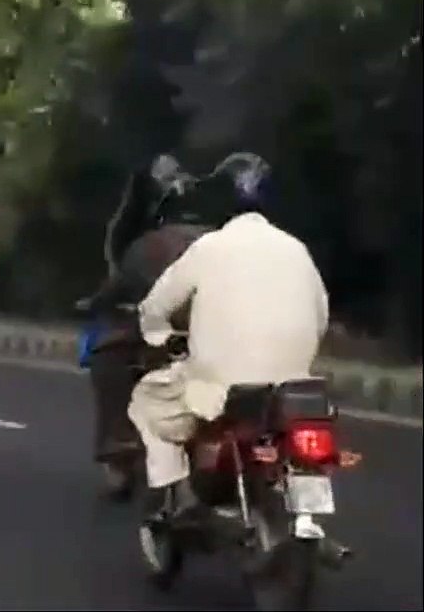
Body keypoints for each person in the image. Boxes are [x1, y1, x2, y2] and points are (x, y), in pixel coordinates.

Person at [127, 152, 329, 522]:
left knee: (146, 401)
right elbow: (320, 317)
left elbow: (155, 307)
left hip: (225, 387)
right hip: (294, 385)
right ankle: (305, 517)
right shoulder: (296, 248)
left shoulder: (207, 248)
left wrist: (162, 337)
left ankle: (177, 497)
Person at [80, 154, 209, 497]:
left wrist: (95, 303)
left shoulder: (148, 246)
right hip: (225, 334)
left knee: (107, 354)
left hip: (167, 334)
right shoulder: (225, 238)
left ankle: (120, 448)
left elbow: (118, 288)